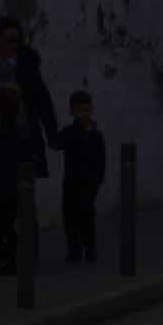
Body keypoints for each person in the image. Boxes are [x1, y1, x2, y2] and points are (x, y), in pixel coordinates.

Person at [0, 81, 45, 275]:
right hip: (12, 187)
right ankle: (4, 254)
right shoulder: (18, 133)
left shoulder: (3, 135)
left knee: (0, 224)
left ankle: (9, 259)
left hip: (4, 189)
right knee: (0, 222)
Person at [57, 91, 108, 265]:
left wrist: (98, 180)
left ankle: (90, 249)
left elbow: (101, 159)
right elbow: (57, 143)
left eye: (86, 110)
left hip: (88, 183)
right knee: (70, 217)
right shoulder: (70, 132)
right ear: (72, 111)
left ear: (91, 110)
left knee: (86, 216)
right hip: (71, 182)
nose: (83, 114)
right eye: (79, 110)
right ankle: (74, 250)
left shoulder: (95, 135)